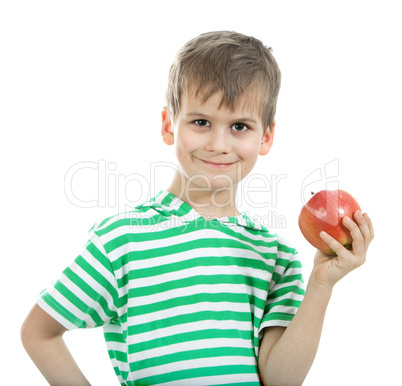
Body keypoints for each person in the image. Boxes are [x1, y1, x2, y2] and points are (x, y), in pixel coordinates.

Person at [21, 31, 374, 386]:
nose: (219, 144)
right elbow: (39, 332)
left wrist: (321, 285)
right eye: (201, 122)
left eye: (239, 126)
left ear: (265, 137)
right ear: (168, 124)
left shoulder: (275, 257)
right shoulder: (122, 240)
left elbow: (280, 380)